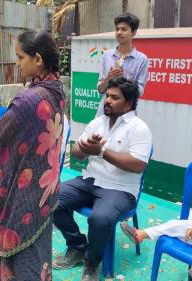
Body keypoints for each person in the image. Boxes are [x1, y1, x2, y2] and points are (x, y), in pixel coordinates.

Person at [0, 29, 65, 281]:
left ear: (38, 59)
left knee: (23, 250)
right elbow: (27, 130)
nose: (17, 63)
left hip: (26, 190)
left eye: (20, 58)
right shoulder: (55, 88)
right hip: (46, 186)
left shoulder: (28, 98)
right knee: (39, 245)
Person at [53, 77, 152, 281]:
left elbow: (138, 165)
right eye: (107, 96)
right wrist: (85, 147)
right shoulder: (98, 122)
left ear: (128, 103)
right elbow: (77, 153)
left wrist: (101, 152)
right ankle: (78, 246)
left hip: (120, 189)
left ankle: (92, 262)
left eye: (114, 98)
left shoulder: (139, 128)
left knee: (100, 218)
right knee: (50, 198)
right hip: (90, 181)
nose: (107, 100)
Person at [95, 12, 148, 116]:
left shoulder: (142, 59)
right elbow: (100, 90)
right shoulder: (107, 56)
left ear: (133, 32)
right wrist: (109, 78)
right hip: (104, 113)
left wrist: (123, 80)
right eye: (117, 29)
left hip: (126, 115)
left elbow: (140, 92)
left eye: (124, 29)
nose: (119, 32)